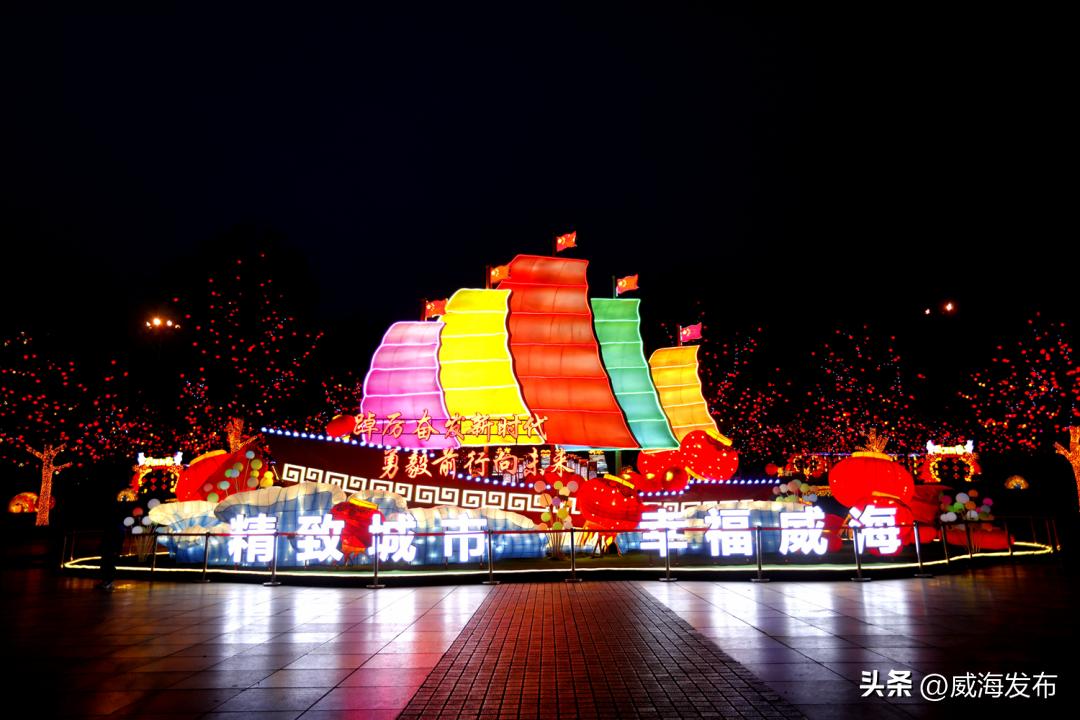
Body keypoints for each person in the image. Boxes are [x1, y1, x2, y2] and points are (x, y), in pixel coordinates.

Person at [96, 498, 132, 591]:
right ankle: (106, 581)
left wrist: (117, 549)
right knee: (106, 563)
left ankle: (108, 581)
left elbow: (118, 538)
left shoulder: (117, 527)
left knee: (108, 563)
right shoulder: (117, 527)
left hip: (111, 547)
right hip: (110, 547)